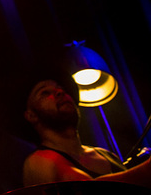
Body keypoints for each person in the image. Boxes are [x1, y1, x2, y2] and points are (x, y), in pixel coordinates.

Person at [22, 79, 150, 187]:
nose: (60, 92)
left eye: (61, 89)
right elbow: (89, 193)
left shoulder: (107, 155)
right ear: (31, 115)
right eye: (45, 93)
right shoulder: (37, 162)